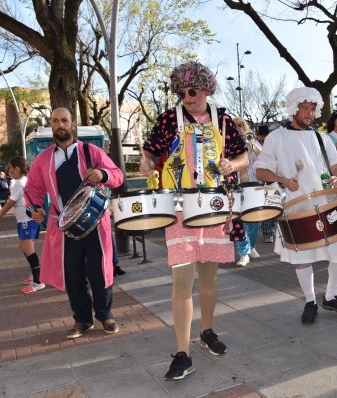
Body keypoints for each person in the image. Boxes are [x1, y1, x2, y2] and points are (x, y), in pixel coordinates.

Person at [139, 61, 248, 381]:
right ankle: (183, 353)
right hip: (178, 208)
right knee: (182, 280)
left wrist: (233, 165)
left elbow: (244, 156)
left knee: (210, 278)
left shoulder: (224, 121)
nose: (186, 96)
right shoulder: (167, 120)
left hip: (215, 207)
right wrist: (146, 164)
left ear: (207, 88)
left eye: (192, 90)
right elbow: (148, 154)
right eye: (181, 91)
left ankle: (207, 331)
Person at [254, 87, 337, 325]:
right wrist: (282, 180)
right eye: (305, 108)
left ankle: (331, 296)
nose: (309, 114)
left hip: (326, 203)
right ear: (293, 108)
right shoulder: (276, 137)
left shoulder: (321, 137)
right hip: (296, 206)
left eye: (312, 109)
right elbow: (260, 169)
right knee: (302, 257)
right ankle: (310, 301)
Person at [25, 107, 124, 337]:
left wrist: (103, 175)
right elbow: (32, 190)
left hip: (96, 224)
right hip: (65, 228)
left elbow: (117, 175)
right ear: (52, 125)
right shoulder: (43, 159)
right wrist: (34, 210)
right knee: (73, 274)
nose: (60, 125)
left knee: (100, 271)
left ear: (72, 124)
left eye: (64, 120)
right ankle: (82, 320)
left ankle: (105, 316)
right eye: (55, 121)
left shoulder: (92, 152)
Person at [0, 156, 45, 294]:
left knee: (28, 249)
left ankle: (38, 282)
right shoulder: (21, 181)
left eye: (10, 168)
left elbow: (10, 202)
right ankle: (35, 275)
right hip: (25, 220)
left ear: (17, 168)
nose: (9, 171)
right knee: (25, 247)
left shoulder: (18, 183)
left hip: (27, 221)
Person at [234, 116, 261, 267]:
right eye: (235, 126)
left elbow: (264, 156)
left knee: (254, 220)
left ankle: (251, 246)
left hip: (253, 185)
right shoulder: (228, 144)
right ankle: (243, 253)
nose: (238, 128)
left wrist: (250, 142)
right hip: (236, 187)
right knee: (239, 220)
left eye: (241, 125)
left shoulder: (252, 142)